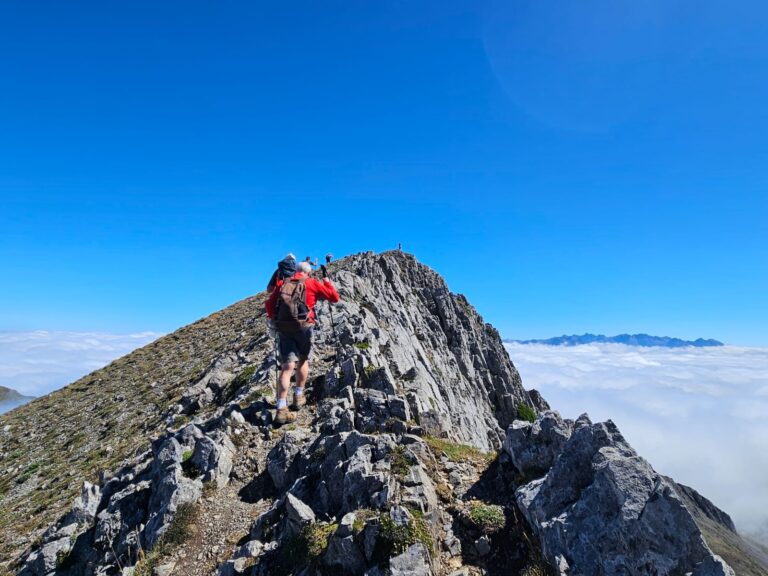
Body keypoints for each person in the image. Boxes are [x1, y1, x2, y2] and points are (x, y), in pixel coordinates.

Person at [265, 261, 340, 424]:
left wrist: (276, 322)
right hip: (304, 327)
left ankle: (281, 409)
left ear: (295, 272)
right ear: (309, 272)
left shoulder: (284, 284)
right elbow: (334, 298)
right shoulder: (312, 282)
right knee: (303, 360)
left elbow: (269, 305)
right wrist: (326, 281)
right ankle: (298, 396)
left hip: (284, 328)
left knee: (286, 368)